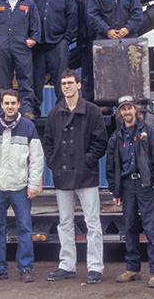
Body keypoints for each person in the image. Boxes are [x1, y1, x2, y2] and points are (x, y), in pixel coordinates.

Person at [42, 70, 107, 285]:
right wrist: (53, 162)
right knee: (65, 222)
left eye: (71, 83)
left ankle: (95, 267)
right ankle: (67, 265)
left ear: (79, 85)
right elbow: (48, 142)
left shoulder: (92, 111)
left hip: (86, 175)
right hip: (62, 175)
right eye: (63, 83)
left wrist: (86, 161)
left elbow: (100, 142)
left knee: (93, 223)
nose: (67, 86)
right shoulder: (54, 114)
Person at [0, 90, 45, 284]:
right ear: (1, 105)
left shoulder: (28, 126)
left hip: (20, 188)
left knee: (24, 228)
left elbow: (37, 159)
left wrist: (33, 185)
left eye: (13, 103)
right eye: (6, 103)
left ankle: (25, 268)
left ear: (18, 105)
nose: (9, 106)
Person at [107, 96, 154, 289]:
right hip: (126, 187)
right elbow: (111, 166)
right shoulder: (116, 136)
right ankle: (132, 268)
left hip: (145, 186)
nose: (127, 112)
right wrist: (114, 191)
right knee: (130, 228)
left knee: (151, 229)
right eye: (123, 109)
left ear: (136, 110)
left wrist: (153, 182)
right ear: (120, 112)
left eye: (130, 108)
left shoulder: (150, 131)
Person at [0, 0, 41, 118]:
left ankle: (26, 110)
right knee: (4, 82)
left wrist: (33, 39)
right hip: (3, 47)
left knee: (25, 81)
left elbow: (36, 24)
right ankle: (4, 112)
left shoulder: (28, 3)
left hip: (22, 47)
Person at [29, 0, 78, 114]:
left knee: (61, 81)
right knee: (36, 81)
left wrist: (67, 39)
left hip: (58, 45)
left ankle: (61, 111)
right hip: (38, 47)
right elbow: (27, 18)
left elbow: (73, 17)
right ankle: (34, 111)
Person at [73, 0, 103, 101]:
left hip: (103, 38)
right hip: (86, 40)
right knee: (87, 75)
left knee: (104, 73)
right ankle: (88, 103)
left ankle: (104, 103)